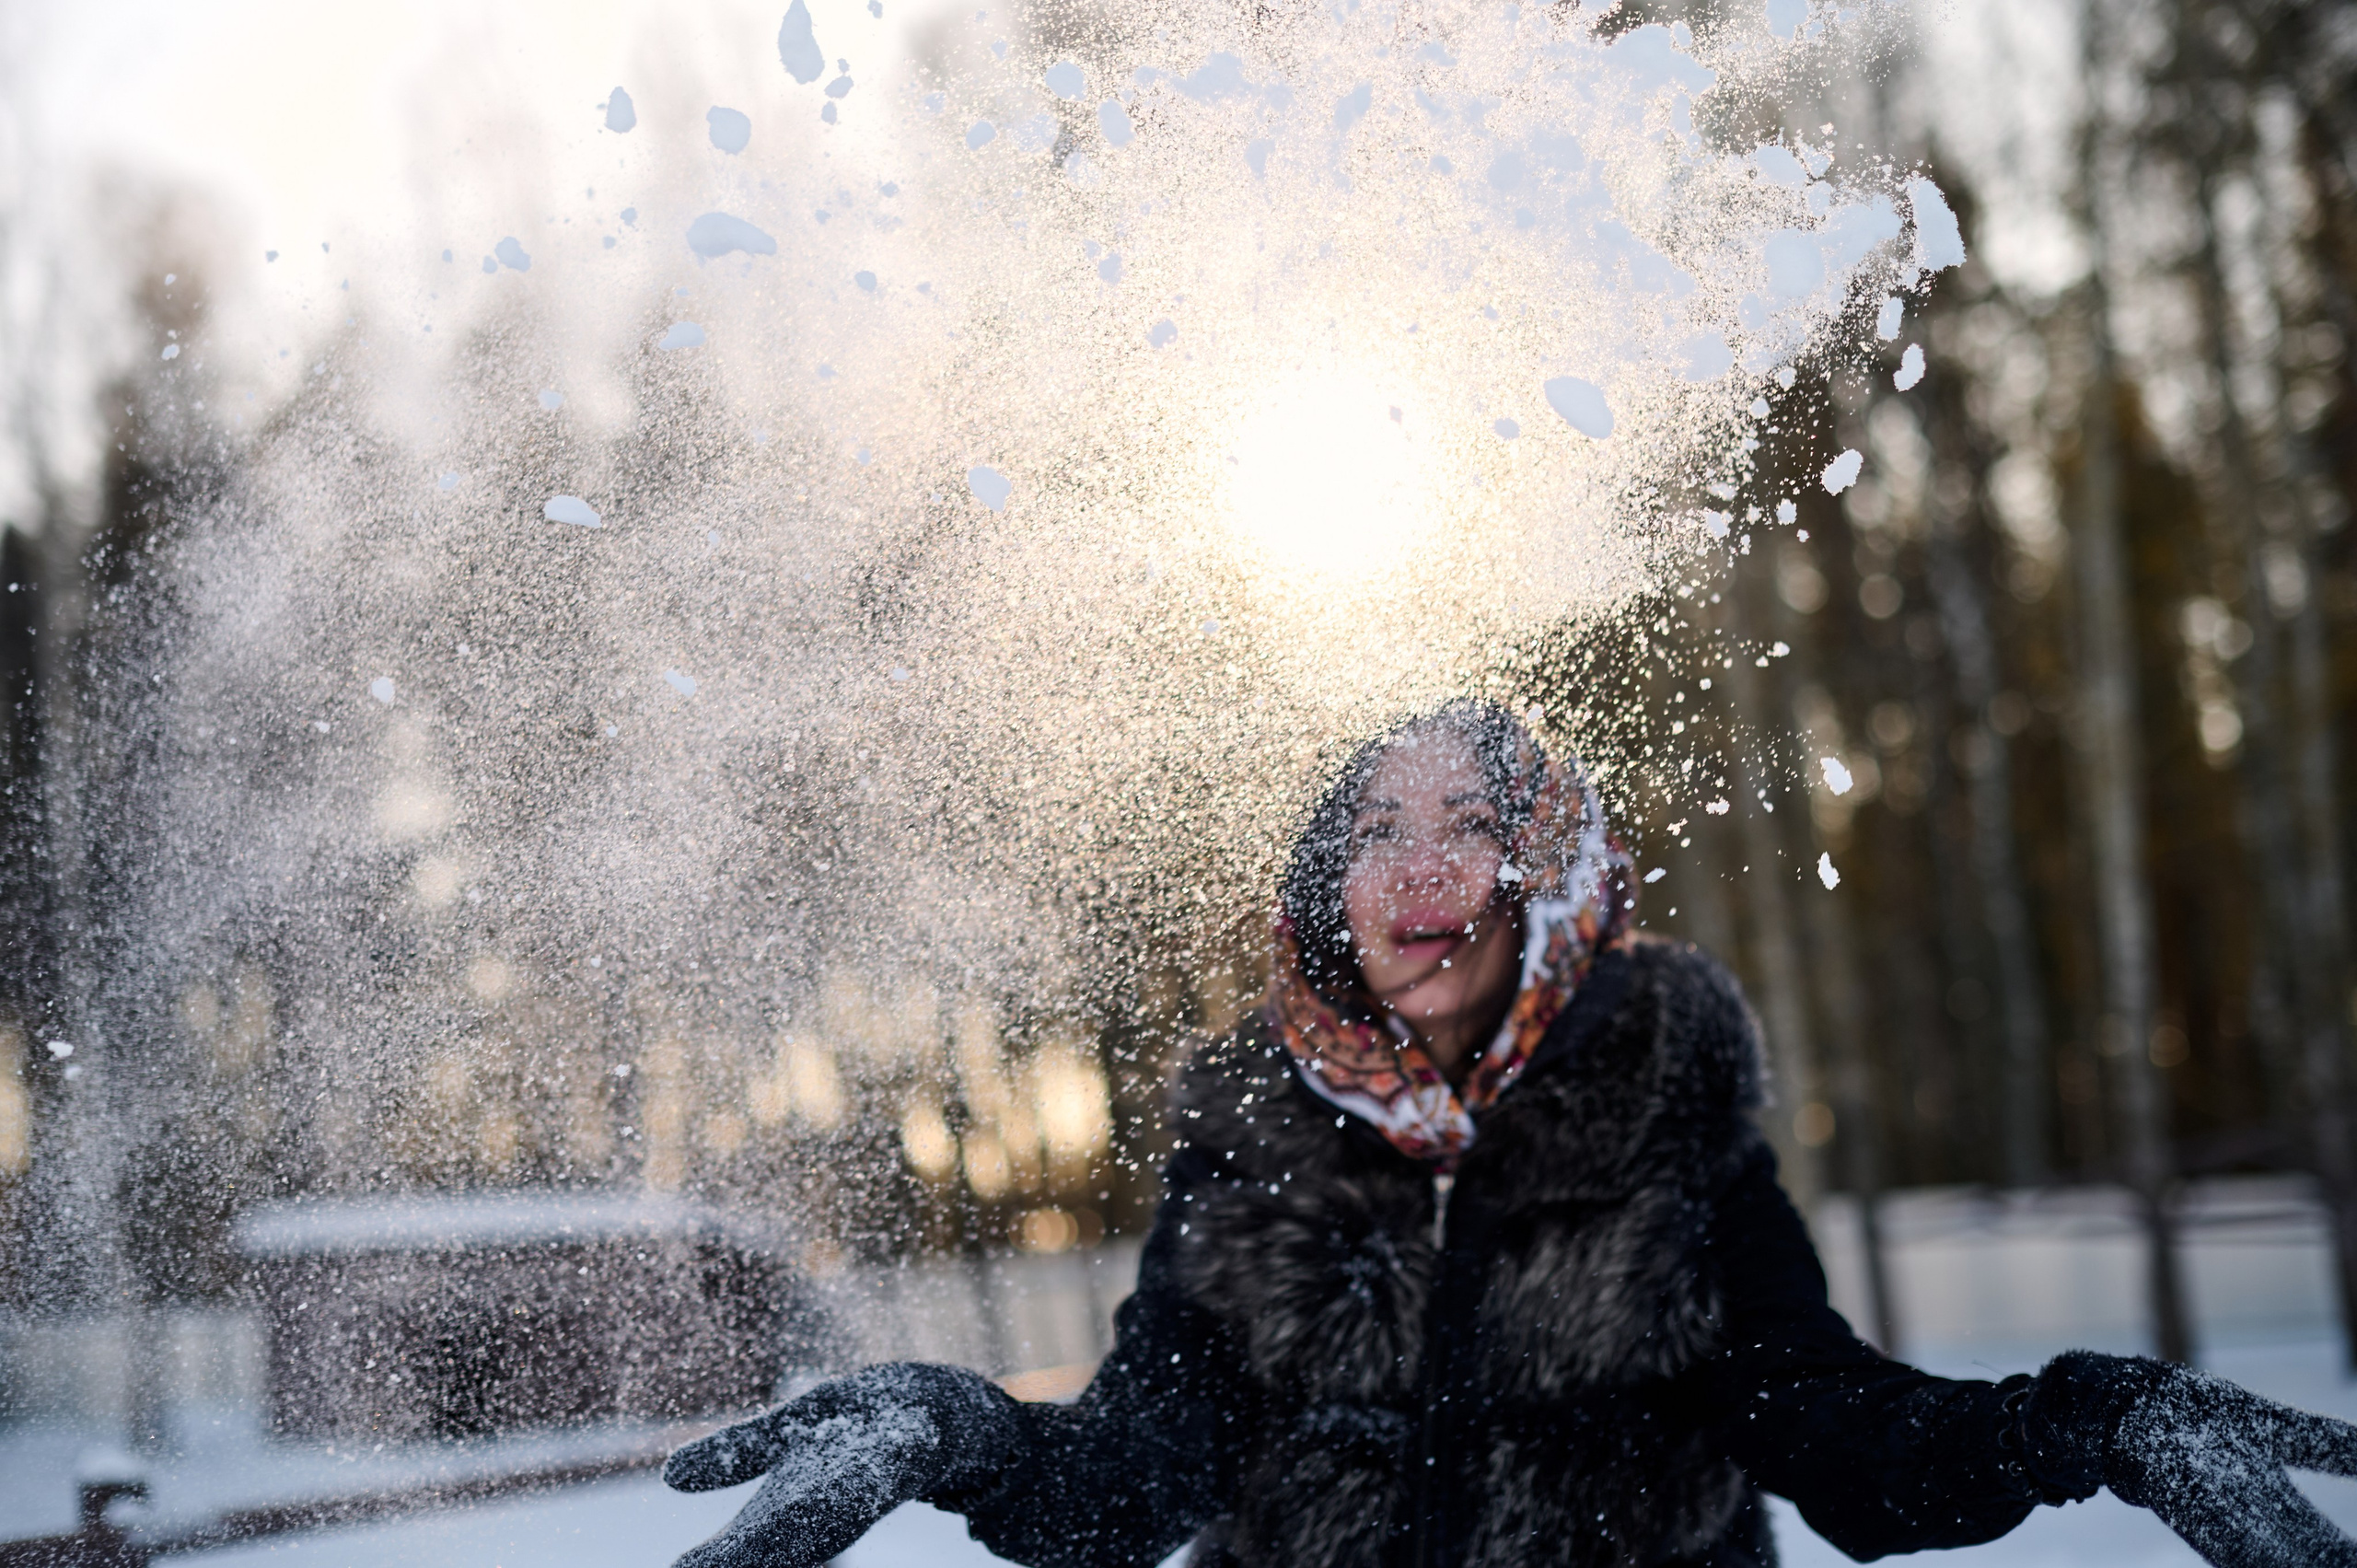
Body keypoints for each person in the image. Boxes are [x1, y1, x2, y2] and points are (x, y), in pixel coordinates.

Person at [663, 700, 2357, 1568]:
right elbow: (1122, 1491)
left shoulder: (1670, 1120)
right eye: (1374, 832)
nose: (1415, 871)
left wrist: (2091, 1425)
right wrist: (950, 1429)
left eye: (1471, 828)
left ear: (1553, 874)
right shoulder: (1251, 1140)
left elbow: (1838, 1440)